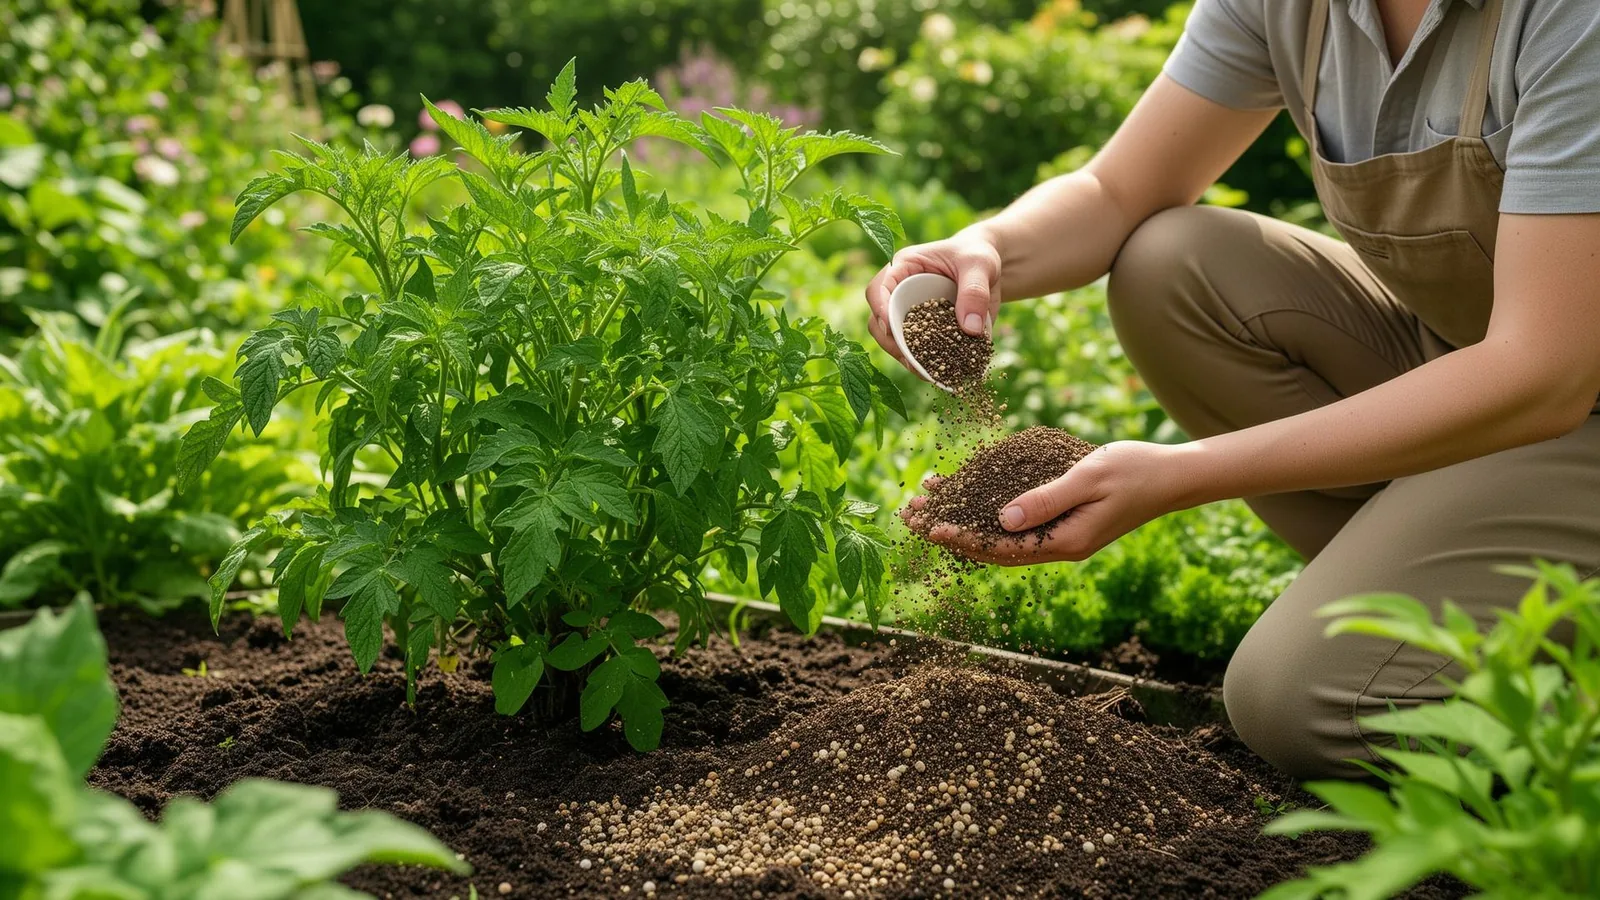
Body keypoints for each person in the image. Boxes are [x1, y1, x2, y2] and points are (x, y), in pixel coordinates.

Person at [867, 0, 1600, 779]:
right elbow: (1118, 193)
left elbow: (1541, 371)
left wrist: (1186, 473)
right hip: (1473, 357)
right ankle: (1448, 587)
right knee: (1169, 265)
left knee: (1301, 699)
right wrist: (988, 246)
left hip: (1560, 393)